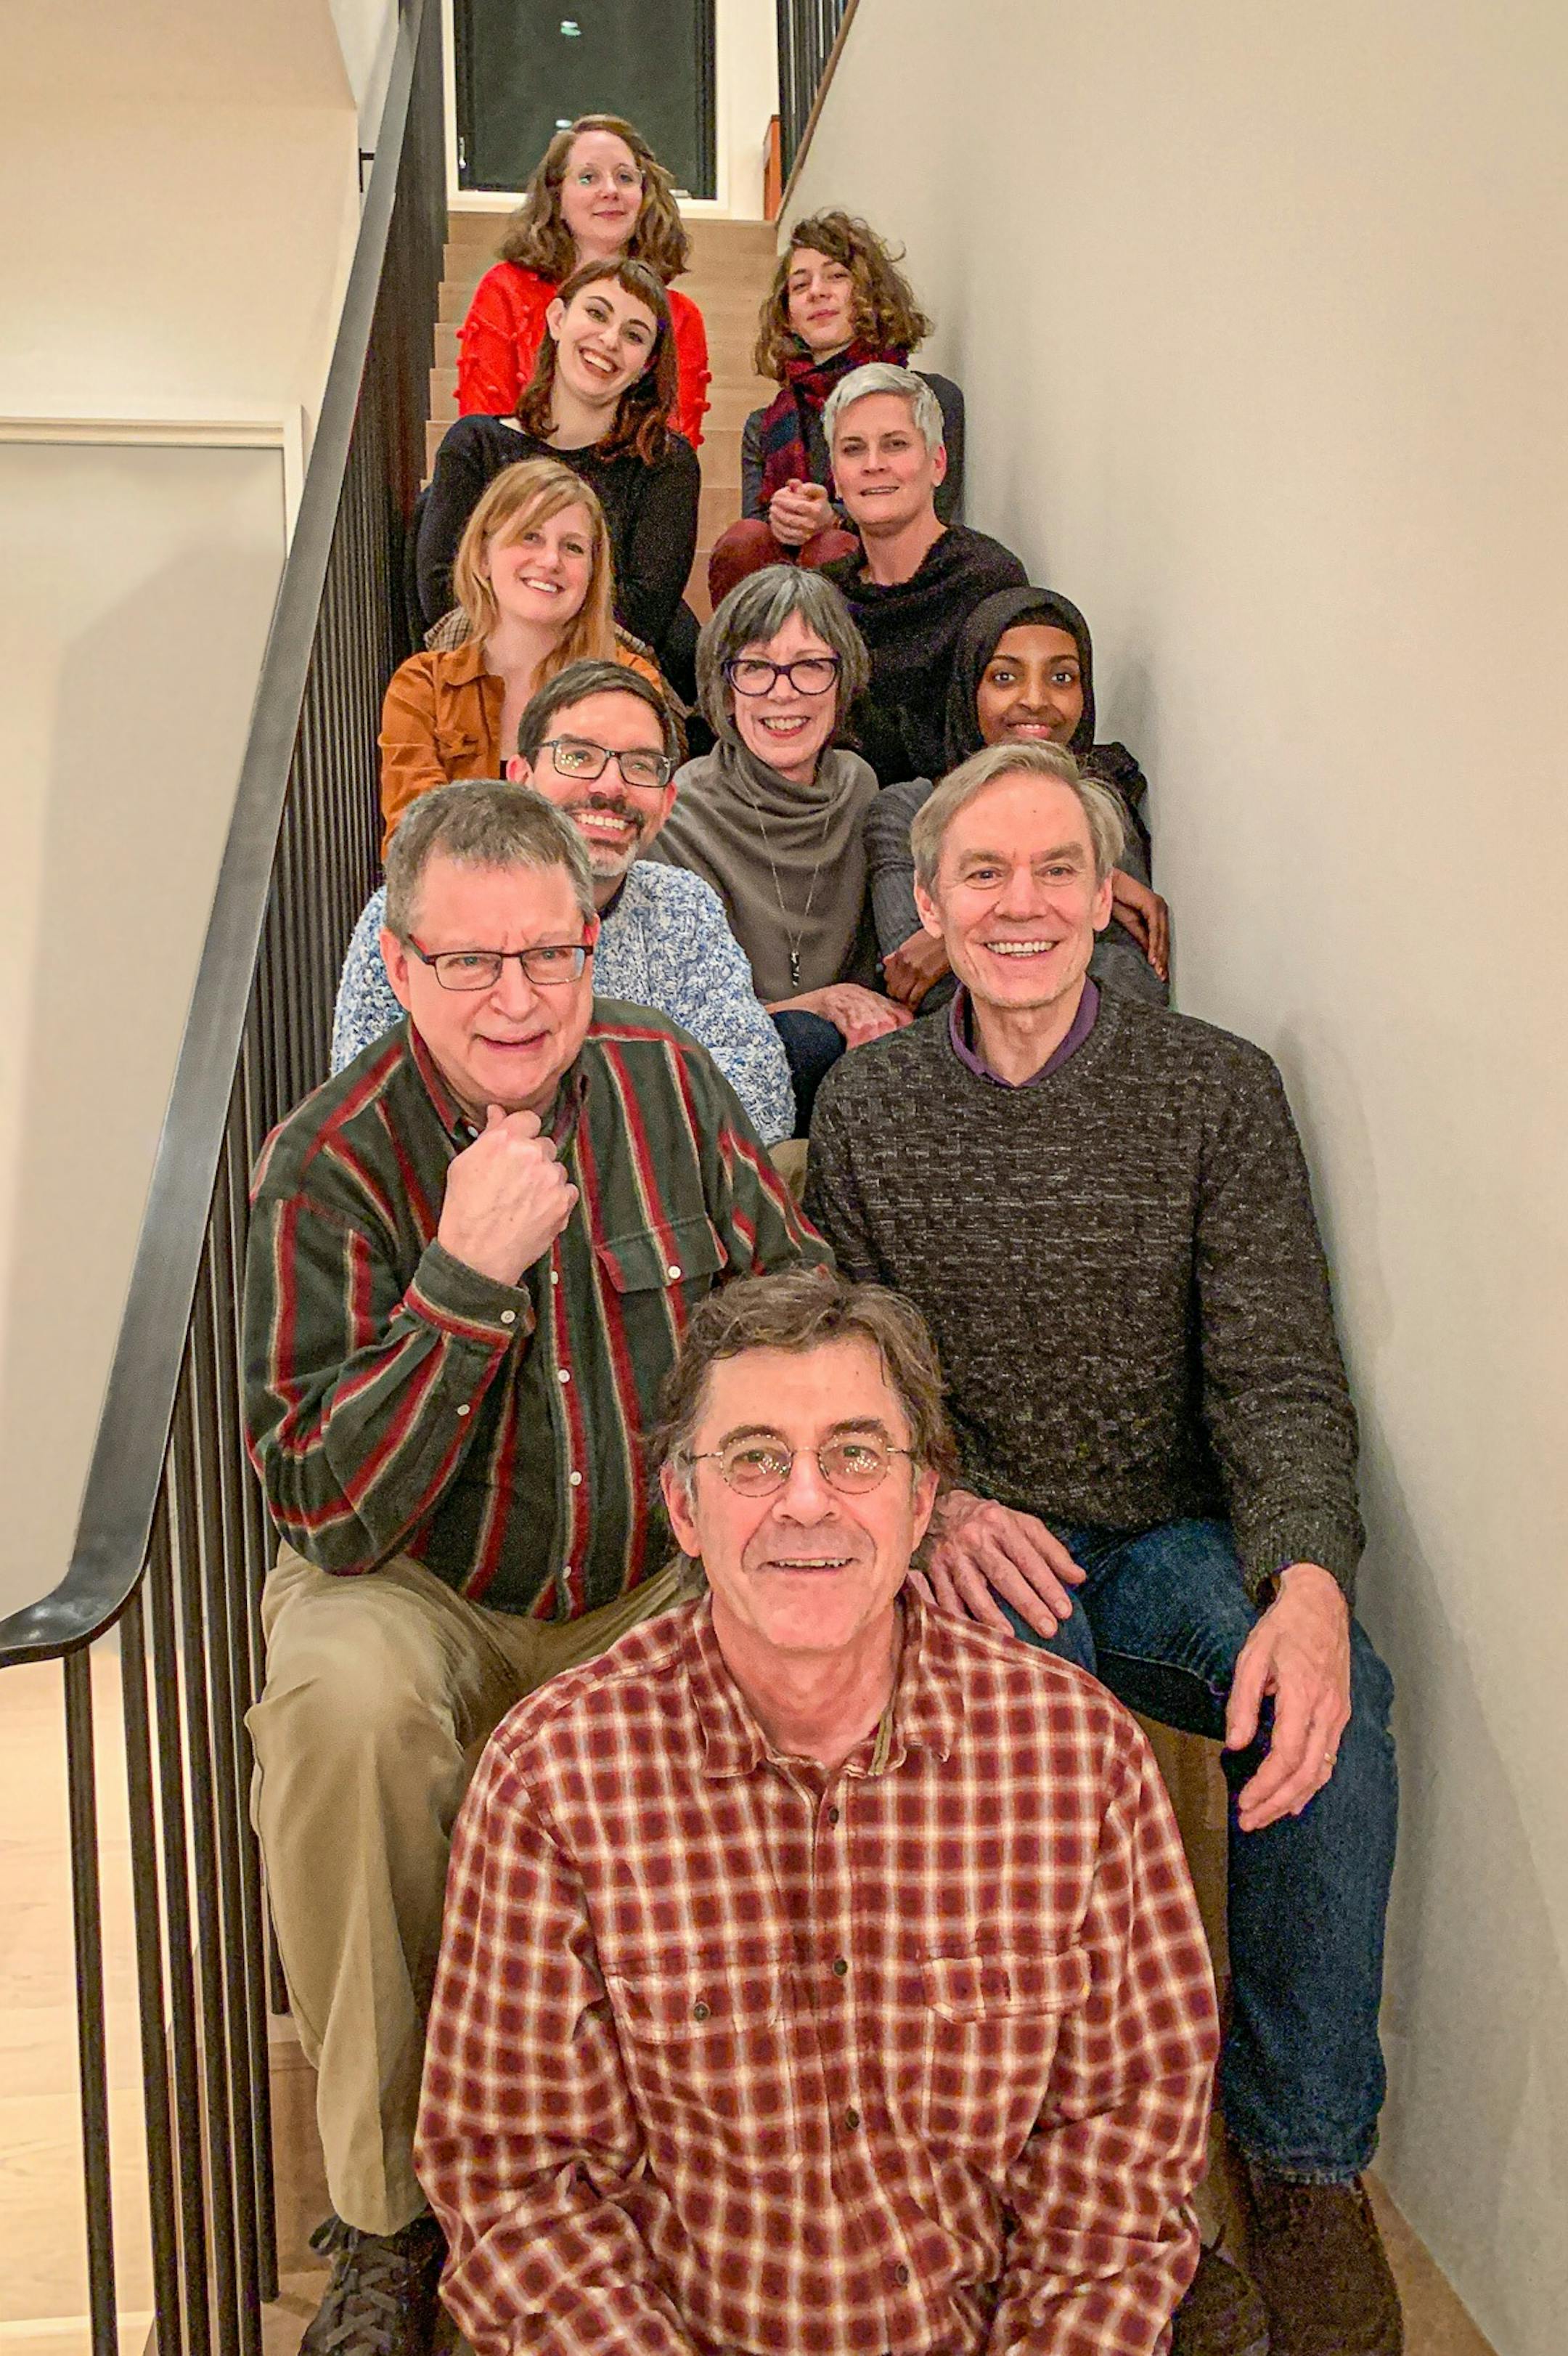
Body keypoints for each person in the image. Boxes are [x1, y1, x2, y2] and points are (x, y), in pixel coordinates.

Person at [805, 741, 1403, 2356]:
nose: (1022, 904)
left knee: (1338, 1716)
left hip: (1171, 1535)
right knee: (1038, 1743)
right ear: (928, 912)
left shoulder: (1215, 1088)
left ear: (1107, 899)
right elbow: (843, 1372)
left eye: (1056, 869)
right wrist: (931, 1508)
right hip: (978, 1537)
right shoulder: (866, 1107)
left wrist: (1309, 1584)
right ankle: (1098, 2190)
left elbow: (1281, 1370)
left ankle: (1301, 2160)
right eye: (983, 874)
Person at [245, 780, 828, 2356]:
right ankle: (388, 2216)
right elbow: (321, 1503)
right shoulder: (327, 1158)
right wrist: (461, 1278)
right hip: (420, 1578)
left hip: (648, 1567)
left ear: (591, 946)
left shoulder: (667, 1081)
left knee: (821, 1642)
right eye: (471, 962)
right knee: (341, 1708)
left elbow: (791, 1314)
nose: (517, 999)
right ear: (402, 964)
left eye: (551, 956)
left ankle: (745, 2163)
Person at [417, 1267, 1232, 2356]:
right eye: (755, 1458)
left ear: (922, 1500)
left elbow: (1121, 2162)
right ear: (685, 1508)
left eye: (855, 1453)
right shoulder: (554, 1777)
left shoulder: (1078, 1759)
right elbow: (518, 2184)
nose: (807, 1502)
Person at [335, 662, 793, 1144]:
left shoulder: (684, 906)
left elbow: (760, 1100)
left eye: (640, 765)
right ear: (521, 777)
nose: (611, 786)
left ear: (667, 801)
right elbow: (368, 1119)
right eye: (578, 756)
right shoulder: (417, 908)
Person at [645, 565, 910, 1130]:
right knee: (805, 1039)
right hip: (724, 1096)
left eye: (810, 665)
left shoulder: (861, 788)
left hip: (852, 1072)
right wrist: (818, 1003)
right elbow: (679, 1026)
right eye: (756, 667)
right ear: (725, 689)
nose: (783, 691)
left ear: (843, 681)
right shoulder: (680, 814)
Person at [869, 587, 1171, 1014]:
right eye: (1005, 678)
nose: (1034, 700)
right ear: (969, 688)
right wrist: (1081, 900)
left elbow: (1131, 985)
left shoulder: (1098, 802)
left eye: (1061, 677)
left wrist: (955, 940)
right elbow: (915, 980)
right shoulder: (906, 810)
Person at [417, 257, 701, 693]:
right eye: (597, 314)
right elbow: (443, 587)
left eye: (634, 335)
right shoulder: (475, 444)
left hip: (607, 677)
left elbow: (644, 611)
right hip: (484, 667)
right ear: (557, 319)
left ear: (646, 365)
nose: (609, 340)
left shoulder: (665, 463)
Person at [379, 456, 660, 852]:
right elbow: (412, 840)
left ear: (593, 573)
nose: (551, 561)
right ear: (483, 556)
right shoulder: (424, 687)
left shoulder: (632, 684)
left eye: (573, 547)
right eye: (530, 537)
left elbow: (634, 828)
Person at [707, 210, 966, 606]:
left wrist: (835, 518)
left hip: (894, 596)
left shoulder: (928, 400)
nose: (816, 292)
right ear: (788, 315)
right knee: (745, 541)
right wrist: (786, 519)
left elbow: (934, 519)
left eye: (836, 276)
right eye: (800, 285)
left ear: (871, 294)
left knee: (833, 548)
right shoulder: (767, 424)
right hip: (781, 595)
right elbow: (757, 522)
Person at [819, 361, 1027, 783]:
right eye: (853, 449)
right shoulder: (823, 597)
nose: (873, 464)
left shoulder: (987, 581)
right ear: (836, 478)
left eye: (895, 444)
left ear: (937, 463)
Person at [457, 114, 709, 445]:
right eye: (589, 177)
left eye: (625, 177)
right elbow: (484, 441)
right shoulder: (506, 290)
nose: (610, 191)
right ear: (557, 198)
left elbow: (669, 453)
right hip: (514, 476)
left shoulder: (680, 316)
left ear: (644, 197)